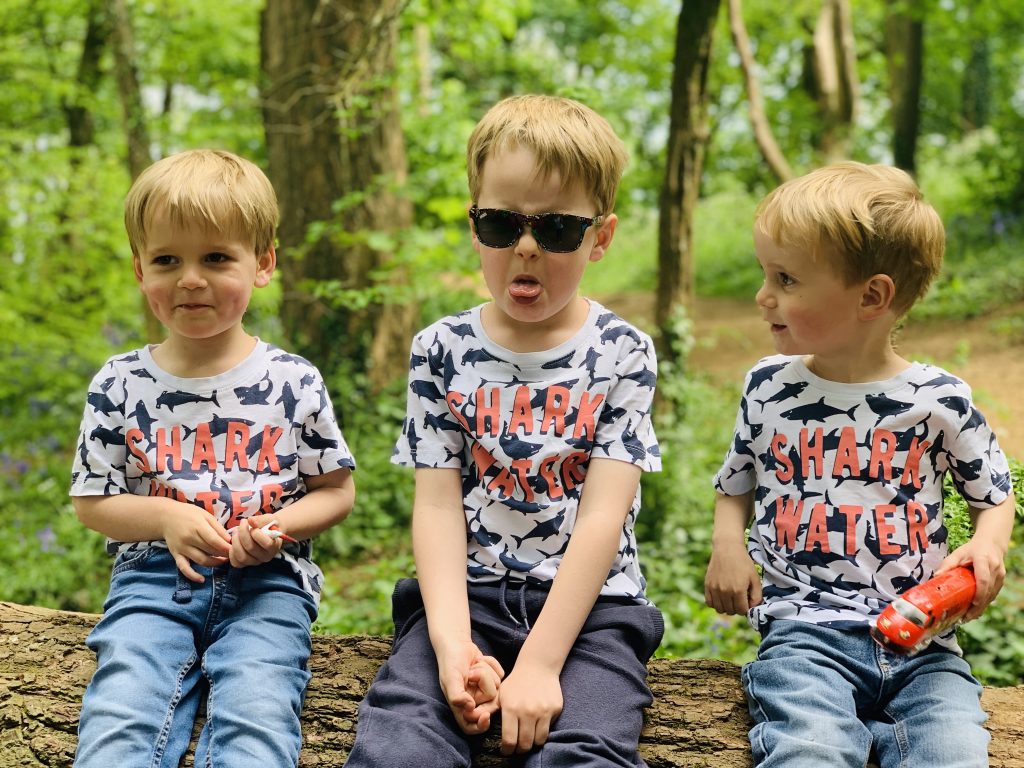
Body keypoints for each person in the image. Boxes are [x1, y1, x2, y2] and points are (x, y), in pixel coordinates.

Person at [343, 94, 664, 767]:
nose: (525, 248)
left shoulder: (623, 353)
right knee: (400, 747)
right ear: (474, 224)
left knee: (586, 755)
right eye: (501, 223)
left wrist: (543, 665)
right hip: (468, 598)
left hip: (594, 614)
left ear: (599, 237)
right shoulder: (441, 348)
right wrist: (453, 645)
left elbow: (605, 516)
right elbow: (435, 506)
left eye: (556, 229)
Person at [704, 162, 1015, 767]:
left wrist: (989, 547)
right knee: (808, 751)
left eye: (787, 279)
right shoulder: (768, 387)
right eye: (766, 273)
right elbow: (735, 483)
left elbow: (994, 494)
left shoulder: (937, 400)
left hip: (924, 642)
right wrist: (727, 544)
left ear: (872, 295)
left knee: (953, 754)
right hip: (804, 640)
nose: (763, 295)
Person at [70, 149, 356, 768]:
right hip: (150, 586)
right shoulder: (119, 383)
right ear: (139, 270)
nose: (190, 279)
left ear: (264, 264)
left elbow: (335, 490)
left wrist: (274, 530)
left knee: (256, 720)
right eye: (167, 260)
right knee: (118, 719)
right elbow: (92, 502)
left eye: (217, 258)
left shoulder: (292, 381)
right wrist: (164, 519)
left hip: (269, 588)